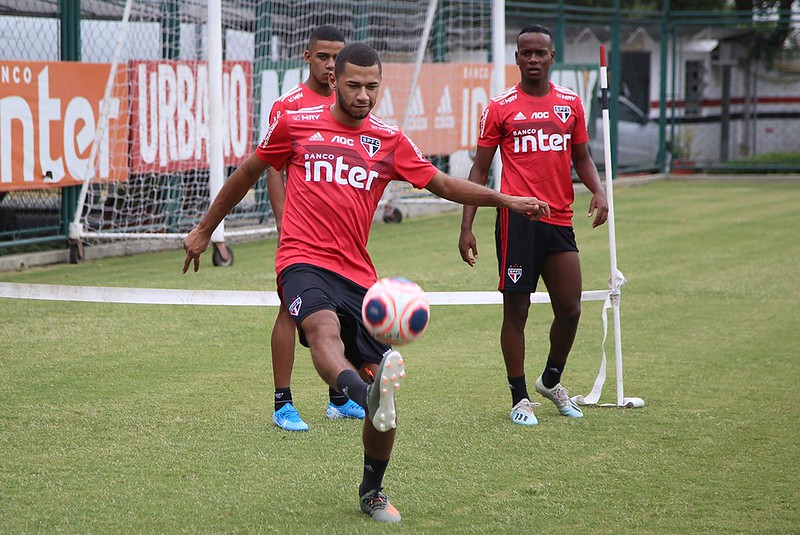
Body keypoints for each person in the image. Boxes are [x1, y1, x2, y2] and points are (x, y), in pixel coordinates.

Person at [183, 42, 550, 523]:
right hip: (301, 261)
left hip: (358, 277)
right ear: (334, 81)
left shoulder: (389, 139)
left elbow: (442, 184)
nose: (362, 95)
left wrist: (506, 200)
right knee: (322, 333)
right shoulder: (296, 123)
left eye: (372, 87)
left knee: (388, 403)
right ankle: (360, 395)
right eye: (353, 85)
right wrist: (205, 228)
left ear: (381, 86)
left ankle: (372, 488)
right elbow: (249, 172)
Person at [458, 25, 609, 426]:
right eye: (526, 53)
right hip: (517, 220)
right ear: (517, 58)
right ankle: (519, 397)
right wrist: (466, 226)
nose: (533, 59)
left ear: (552, 56)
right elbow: (479, 169)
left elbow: (583, 157)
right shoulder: (500, 107)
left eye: (540, 53)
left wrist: (599, 190)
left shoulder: (570, 104)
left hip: (559, 219)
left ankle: (550, 380)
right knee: (517, 311)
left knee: (571, 308)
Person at [265, 26, 364, 432]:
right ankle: (282, 403)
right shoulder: (288, 108)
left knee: (342, 315)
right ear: (308, 57)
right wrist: (284, 224)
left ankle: (339, 399)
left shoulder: (357, 107)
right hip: (301, 240)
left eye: (335, 58)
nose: (329, 65)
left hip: (343, 242)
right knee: (291, 314)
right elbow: (272, 169)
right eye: (322, 57)